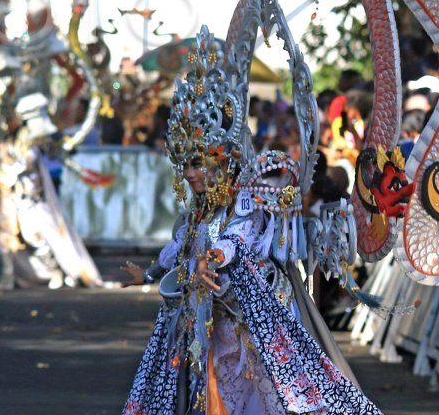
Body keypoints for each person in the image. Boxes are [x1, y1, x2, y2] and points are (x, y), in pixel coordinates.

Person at [120, 43, 381, 415]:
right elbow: (179, 248)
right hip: (208, 321)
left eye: (197, 163)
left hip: (252, 326)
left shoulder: (246, 202)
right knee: (208, 394)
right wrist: (147, 273)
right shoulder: (199, 209)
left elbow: (235, 242)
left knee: (265, 399)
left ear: (221, 161)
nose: (190, 173)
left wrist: (210, 259)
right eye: (185, 166)